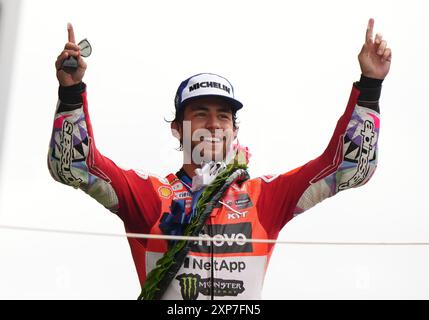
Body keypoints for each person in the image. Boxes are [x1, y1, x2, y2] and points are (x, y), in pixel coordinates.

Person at [48, 19, 391, 300]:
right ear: (176, 130)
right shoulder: (150, 195)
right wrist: (71, 91)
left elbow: (347, 169)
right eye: (199, 114)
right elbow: (75, 166)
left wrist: (370, 85)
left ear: (234, 131)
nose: (213, 124)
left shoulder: (264, 198)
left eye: (224, 116)